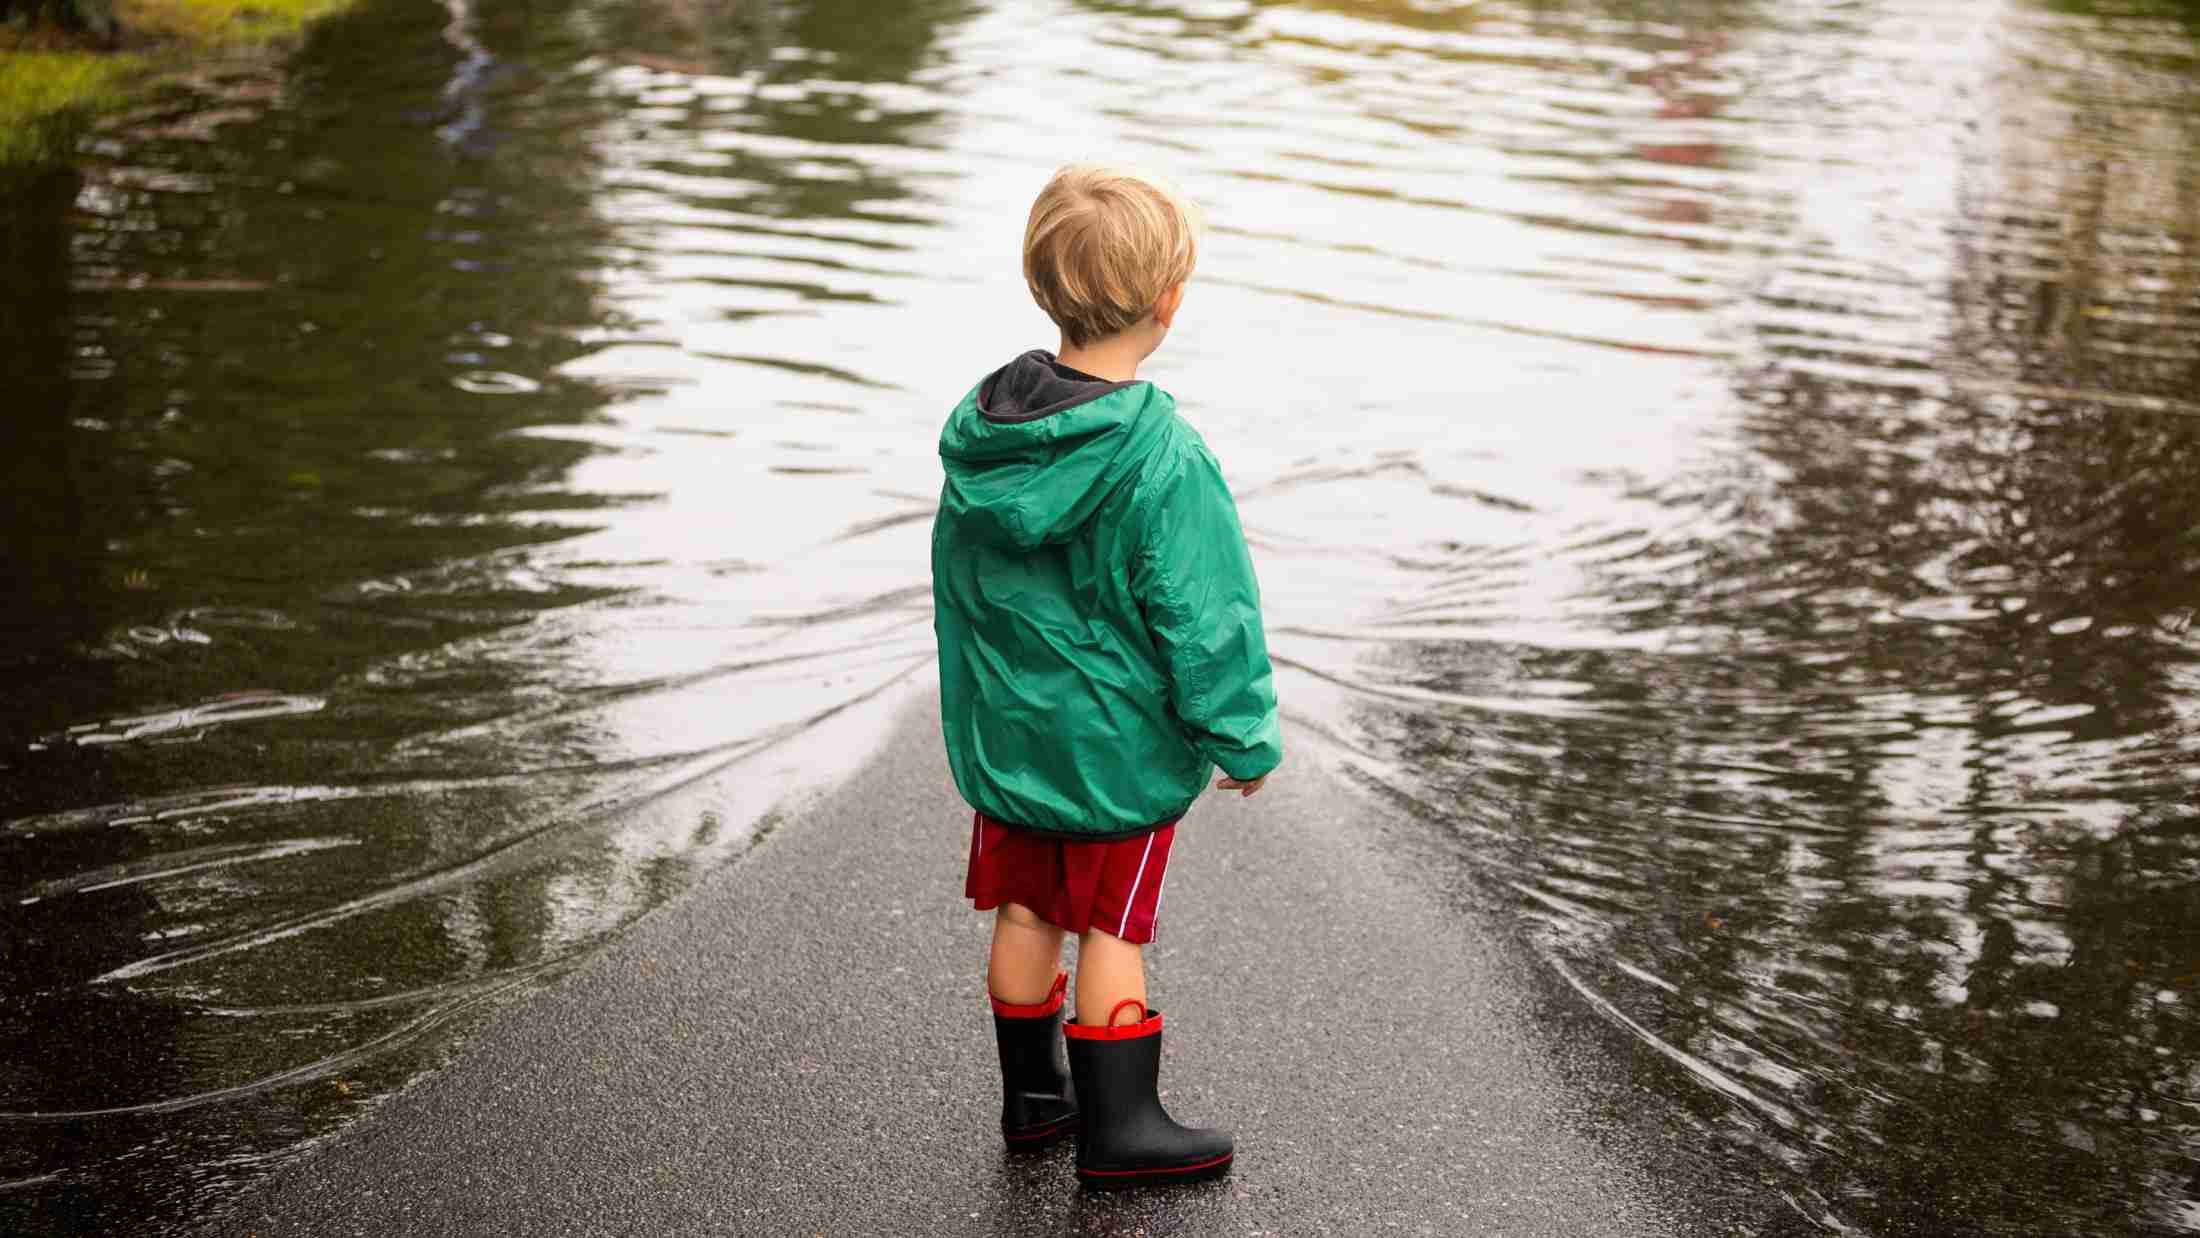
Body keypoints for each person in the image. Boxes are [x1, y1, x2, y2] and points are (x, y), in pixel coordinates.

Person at [930, 163, 1283, 1189]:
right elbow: (1205, 616)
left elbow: (964, 586)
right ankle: (1120, 1127)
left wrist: (986, 703)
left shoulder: (986, 435)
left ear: (1043, 285)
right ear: (1169, 303)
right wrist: (1243, 736)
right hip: (1112, 754)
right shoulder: (1161, 453)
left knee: (1027, 908)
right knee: (1110, 924)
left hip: (1013, 735)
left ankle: (1034, 1098)